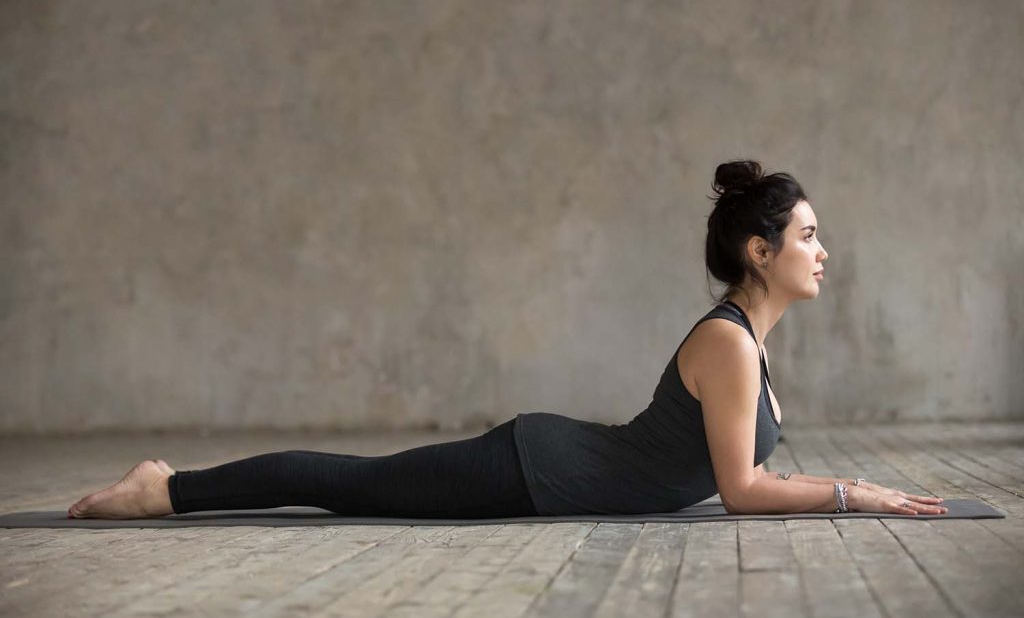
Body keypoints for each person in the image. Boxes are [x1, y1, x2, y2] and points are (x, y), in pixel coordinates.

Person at [68, 160, 948, 519]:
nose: (823, 250)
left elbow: (735, 477)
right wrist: (854, 493)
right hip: (533, 467)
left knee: (353, 485)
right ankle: (167, 487)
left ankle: (170, 486)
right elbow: (742, 488)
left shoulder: (748, 344)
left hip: (551, 466)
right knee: (350, 483)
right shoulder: (729, 344)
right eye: (806, 236)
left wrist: (845, 489)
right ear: (760, 251)